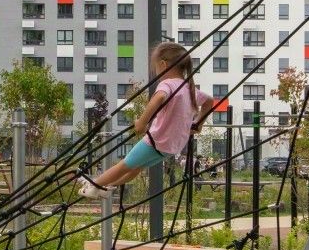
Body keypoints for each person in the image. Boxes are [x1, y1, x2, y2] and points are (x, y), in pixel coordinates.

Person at [79, 42, 217, 198]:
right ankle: (107, 187)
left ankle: (94, 185)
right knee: (135, 168)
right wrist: (198, 124)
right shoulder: (189, 88)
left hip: (156, 141)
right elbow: (209, 101)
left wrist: (142, 122)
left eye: (155, 67)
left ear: (163, 65)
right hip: (172, 147)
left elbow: (159, 97)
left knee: (125, 165)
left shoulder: (168, 84)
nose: (155, 72)